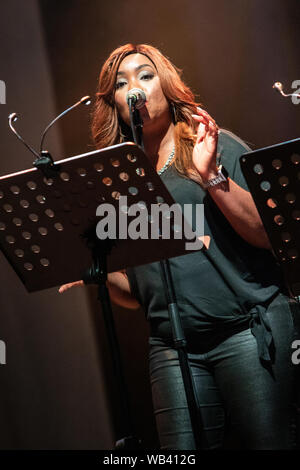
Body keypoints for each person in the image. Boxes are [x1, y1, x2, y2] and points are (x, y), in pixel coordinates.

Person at [60, 43, 300, 450]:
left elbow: (267, 234)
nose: (134, 88)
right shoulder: (117, 183)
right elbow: (139, 295)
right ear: (113, 103)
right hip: (172, 347)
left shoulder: (210, 142)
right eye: (121, 84)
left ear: (166, 85)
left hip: (245, 331)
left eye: (146, 75)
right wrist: (92, 271)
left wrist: (211, 178)